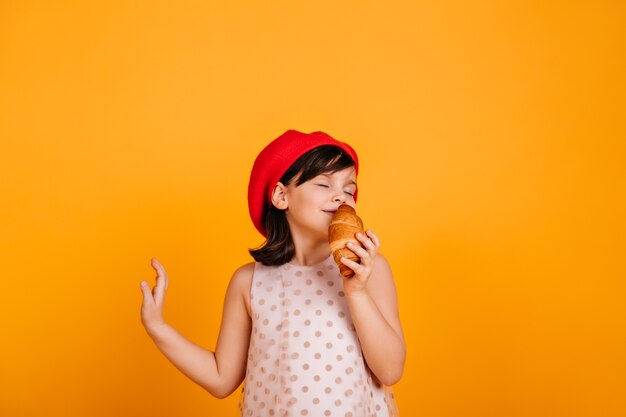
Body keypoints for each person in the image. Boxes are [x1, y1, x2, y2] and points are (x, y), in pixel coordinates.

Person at [140, 129, 405, 417]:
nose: (341, 197)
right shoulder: (249, 282)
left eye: (349, 189)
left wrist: (356, 290)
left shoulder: (369, 269)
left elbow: (390, 370)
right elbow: (220, 378)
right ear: (281, 196)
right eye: (324, 185)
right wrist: (158, 327)